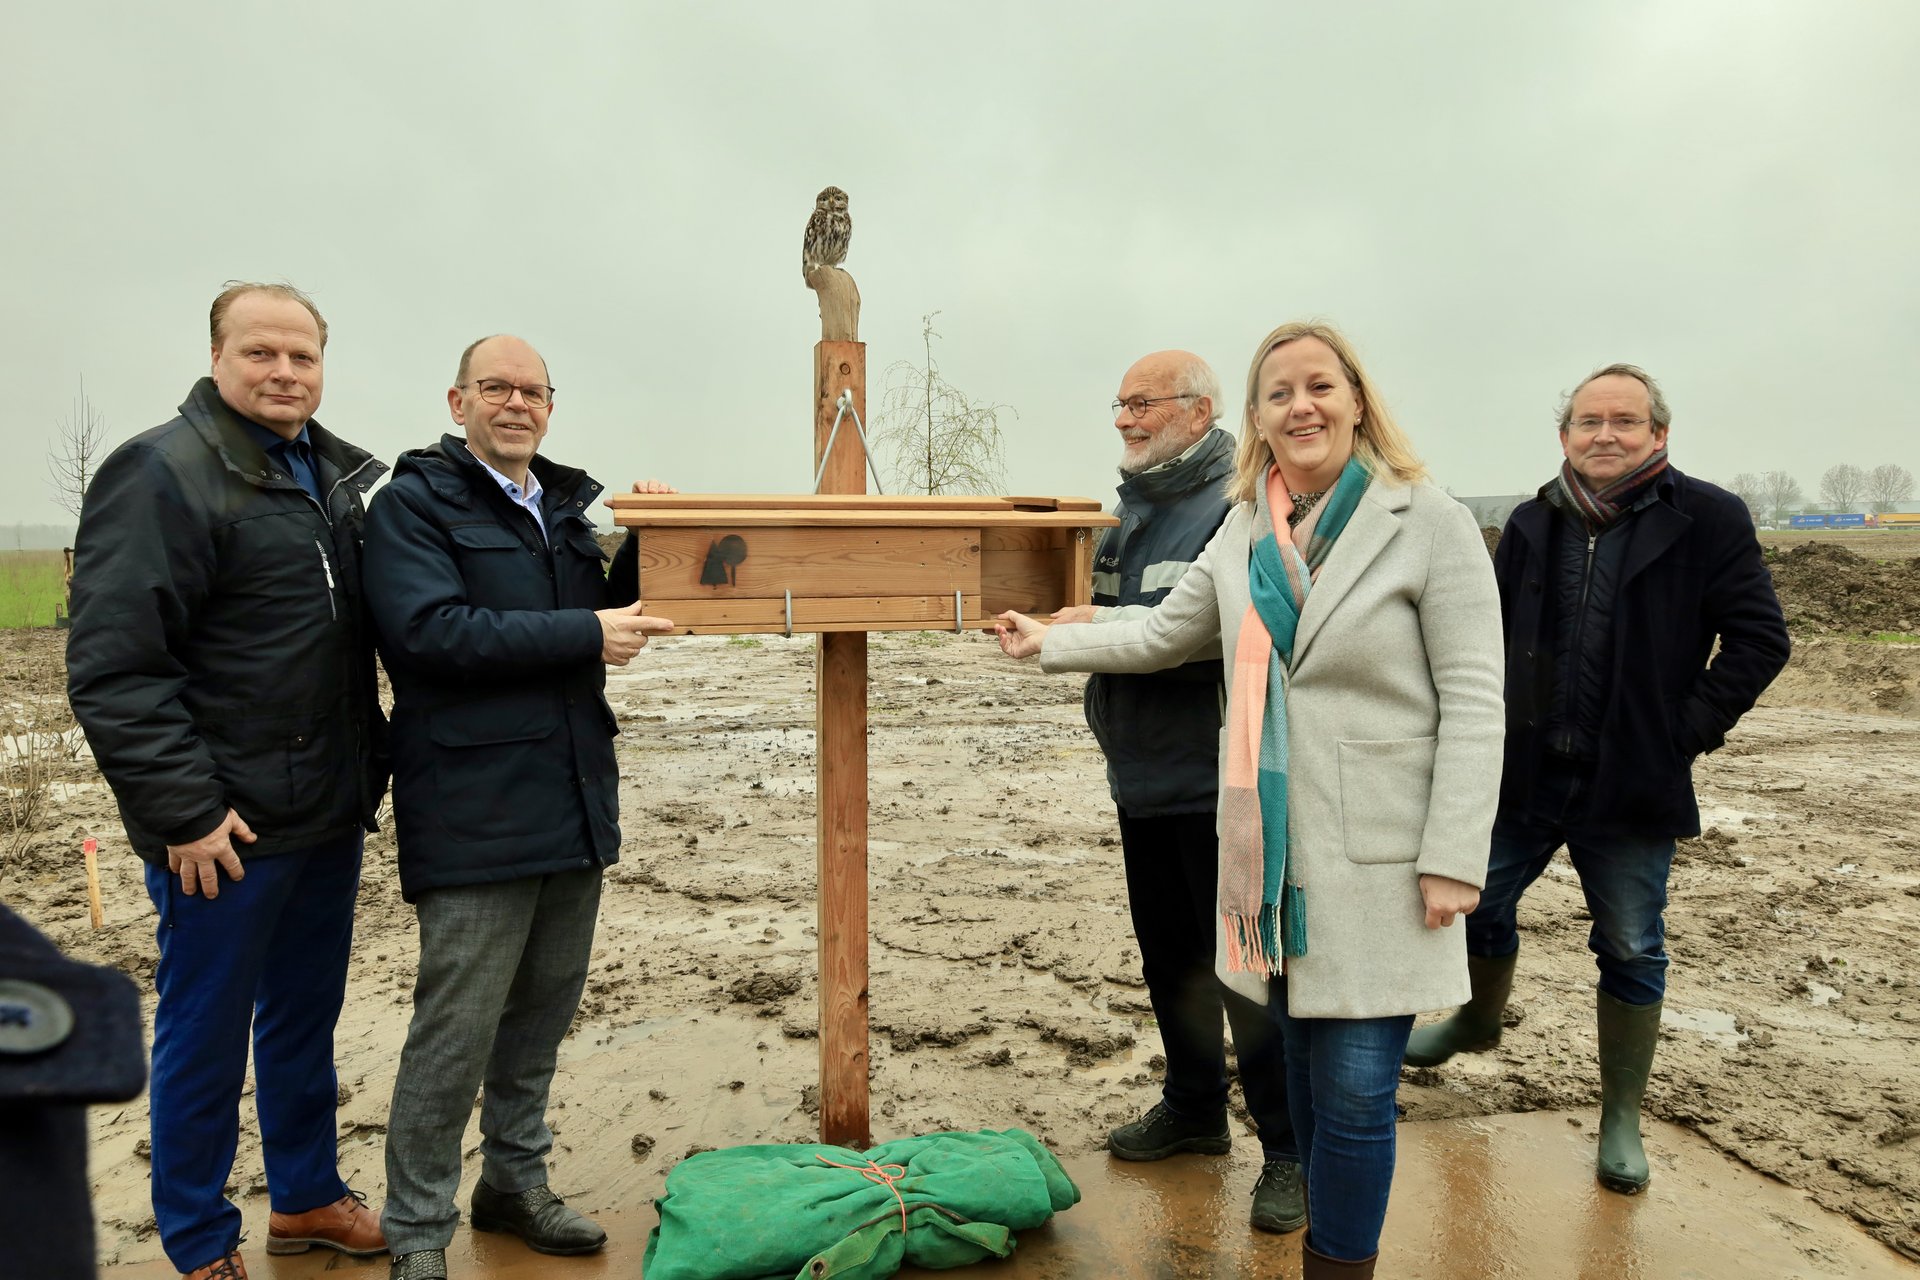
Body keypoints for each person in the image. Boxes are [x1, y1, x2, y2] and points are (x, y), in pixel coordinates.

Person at [996, 321, 1504, 1278]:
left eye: (1319, 387)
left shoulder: (1424, 518)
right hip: (1268, 856)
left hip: (1381, 852)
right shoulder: (1244, 528)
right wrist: (1048, 641)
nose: (1300, 407)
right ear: (1259, 418)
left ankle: (1337, 1263)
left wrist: (1455, 854)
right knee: (1310, 1080)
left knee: (1355, 1090)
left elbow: (1477, 697)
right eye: (1279, 393)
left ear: (1356, 399)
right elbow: (1164, 633)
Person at [66, 282, 391, 1280]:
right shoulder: (162, 472)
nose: (285, 372)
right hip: (226, 832)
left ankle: (303, 1196)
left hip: (322, 811)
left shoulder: (323, 476)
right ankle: (199, 1235)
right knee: (204, 1035)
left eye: (302, 356)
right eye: (262, 353)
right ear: (217, 356)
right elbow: (117, 667)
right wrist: (187, 811)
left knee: (303, 1018)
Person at [1403, 364, 1789, 1195]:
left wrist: (1679, 734)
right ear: (1564, 435)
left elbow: (1761, 641)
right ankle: (1476, 1020)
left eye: (1624, 421)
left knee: (1631, 944)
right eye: (1588, 422)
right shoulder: (1533, 521)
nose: (1604, 435)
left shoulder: (1709, 518)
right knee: (1475, 900)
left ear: (1659, 434)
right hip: (1524, 774)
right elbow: (1482, 638)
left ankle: (1620, 1116)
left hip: (1630, 785)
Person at [363, 335, 675, 1280]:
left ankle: (513, 1185)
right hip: (471, 805)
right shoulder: (412, 505)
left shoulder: (564, 508)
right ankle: (417, 1228)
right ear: (457, 400)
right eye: (495, 388)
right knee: (455, 1027)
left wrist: (651, 546)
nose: (516, 403)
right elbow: (427, 634)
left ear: (551, 406)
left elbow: (601, 613)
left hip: (573, 795)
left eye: (532, 391)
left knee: (539, 1015)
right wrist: (587, 630)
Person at [1058, 350, 1301, 1233]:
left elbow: (1194, 636)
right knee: (1171, 960)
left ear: (1198, 413)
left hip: (1217, 782)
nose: (1124, 420)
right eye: (1119, 404)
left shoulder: (1235, 508)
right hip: (1143, 777)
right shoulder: (1127, 514)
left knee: (1247, 972)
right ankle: (1196, 1107)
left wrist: (1075, 635)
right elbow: (1092, 609)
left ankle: (1289, 1150)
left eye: (1142, 404)